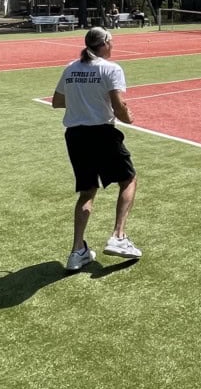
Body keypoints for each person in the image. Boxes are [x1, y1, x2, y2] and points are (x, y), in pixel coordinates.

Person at [51, 26, 142, 272]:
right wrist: (128, 118)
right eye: (111, 42)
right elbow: (119, 105)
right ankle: (118, 236)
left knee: (87, 192)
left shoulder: (71, 68)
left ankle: (76, 251)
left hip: (75, 136)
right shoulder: (111, 69)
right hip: (102, 133)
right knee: (129, 180)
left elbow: (57, 101)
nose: (113, 46)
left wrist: (83, 99)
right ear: (104, 45)